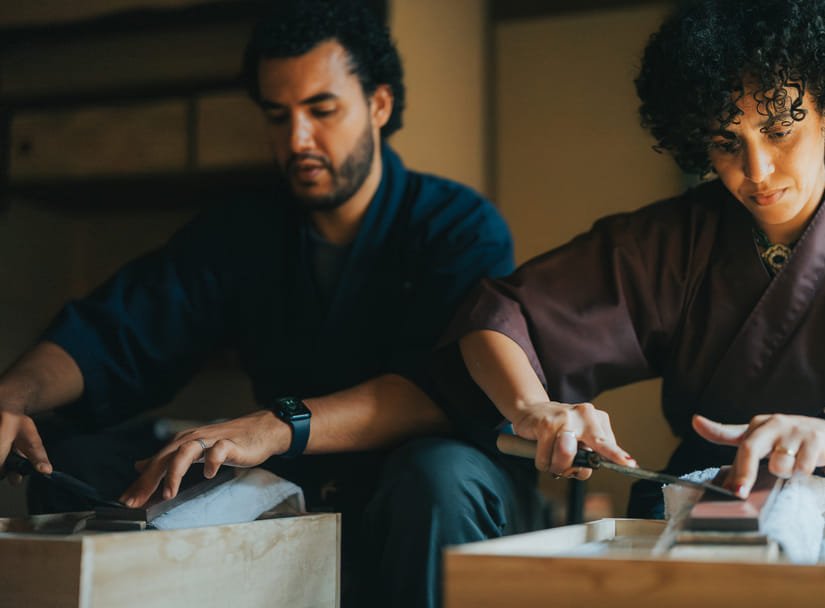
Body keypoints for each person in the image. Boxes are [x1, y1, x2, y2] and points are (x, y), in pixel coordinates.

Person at [0, 1, 541, 606]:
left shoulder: (458, 225)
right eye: (277, 116)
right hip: (306, 476)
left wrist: (276, 424)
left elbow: (439, 390)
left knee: (435, 474)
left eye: (321, 110)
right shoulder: (243, 231)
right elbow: (118, 330)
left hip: (440, 482)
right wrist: (11, 397)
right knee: (81, 465)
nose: (297, 139)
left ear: (379, 105)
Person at [435, 0, 825, 605]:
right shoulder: (671, 242)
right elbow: (500, 316)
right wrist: (532, 407)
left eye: (779, 131)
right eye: (726, 142)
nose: (756, 171)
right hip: (697, 497)